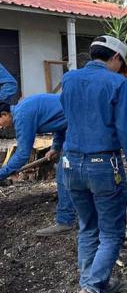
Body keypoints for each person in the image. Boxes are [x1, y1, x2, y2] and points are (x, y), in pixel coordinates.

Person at [59, 35, 127, 293]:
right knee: (111, 233)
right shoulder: (116, 83)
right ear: (116, 58)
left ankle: (91, 285)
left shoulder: (69, 79)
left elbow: (66, 117)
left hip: (70, 164)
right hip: (103, 164)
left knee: (87, 227)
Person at [0, 95, 78, 236]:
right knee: (66, 169)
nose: (0, 126)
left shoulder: (22, 116)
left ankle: (65, 221)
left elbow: (23, 154)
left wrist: (3, 173)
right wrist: (55, 147)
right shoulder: (24, 108)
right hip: (75, 122)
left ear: (5, 114)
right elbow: (61, 122)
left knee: (63, 171)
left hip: (81, 125)